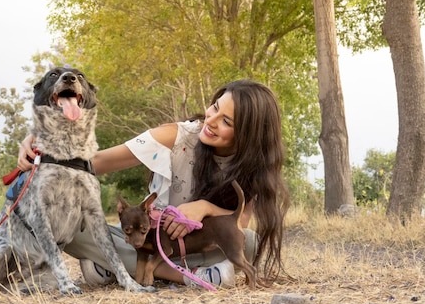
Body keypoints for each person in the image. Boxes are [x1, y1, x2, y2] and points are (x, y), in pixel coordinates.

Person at [18, 79, 289, 287]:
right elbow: (97, 161)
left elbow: (240, 223)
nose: (212, 121)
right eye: (215, 108)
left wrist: (204, 208)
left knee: (249, 242)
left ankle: (113, 268)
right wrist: (44, 148)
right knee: (67, 223)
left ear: (248, 135)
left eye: (226, 121)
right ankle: (188, 277)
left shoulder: (254, 167)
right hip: (149, 243)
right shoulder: (175, 136)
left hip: (194, 247)